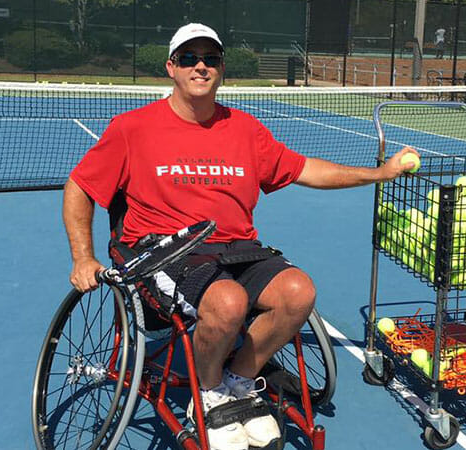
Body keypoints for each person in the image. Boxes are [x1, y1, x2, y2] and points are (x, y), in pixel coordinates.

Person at [63, 23, 419, 450]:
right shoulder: (133, 128)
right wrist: (82, 257)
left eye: (210, 59)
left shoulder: (245, 130)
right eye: (189, 59)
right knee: (228, 302)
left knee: (298, 293)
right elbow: (81, 187)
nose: (200, 66)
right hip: (162, 249)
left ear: (221, 69)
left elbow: (307, 169)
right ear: (171, 68)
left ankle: (239, 380)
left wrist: (380, 173)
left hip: (235, 247)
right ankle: (209, 396)